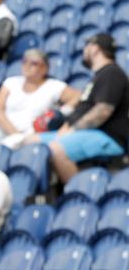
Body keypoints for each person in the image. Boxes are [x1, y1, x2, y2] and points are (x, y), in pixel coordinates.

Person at [25, 32, 129, 182]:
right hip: (85, 133)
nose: (84, 50)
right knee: (31, 141)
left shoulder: (111, 72)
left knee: (57, 148)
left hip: (107, 136)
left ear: (94, 49)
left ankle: (78, 195)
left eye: (87, 46)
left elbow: (102, 111)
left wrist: (72, 130)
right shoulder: (98, 75)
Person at [0, 49, 71, 147]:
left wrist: (60, 113)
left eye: (33, 63)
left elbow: (77, 98)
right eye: (24, 62)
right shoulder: (11, 82)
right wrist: (15, 134)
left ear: (45, 68)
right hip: (1, 132)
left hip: (31, 138)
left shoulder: (54, 86)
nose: (27, 66)